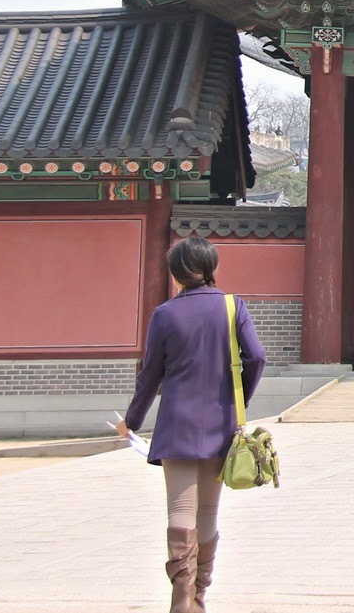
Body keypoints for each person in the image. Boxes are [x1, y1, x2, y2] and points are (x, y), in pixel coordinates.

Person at [116, 237, 266, 613]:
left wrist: (131, 421)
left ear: (177, 272)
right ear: (211, 265)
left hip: (176, 424)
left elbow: (149, 375)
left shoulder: (165, 314)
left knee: (180, 510)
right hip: (221, 424)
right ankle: (199, 596)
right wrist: (238, 402)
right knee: (208, 512)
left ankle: (181, 600)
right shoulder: (233, 307)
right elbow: (257, 357)